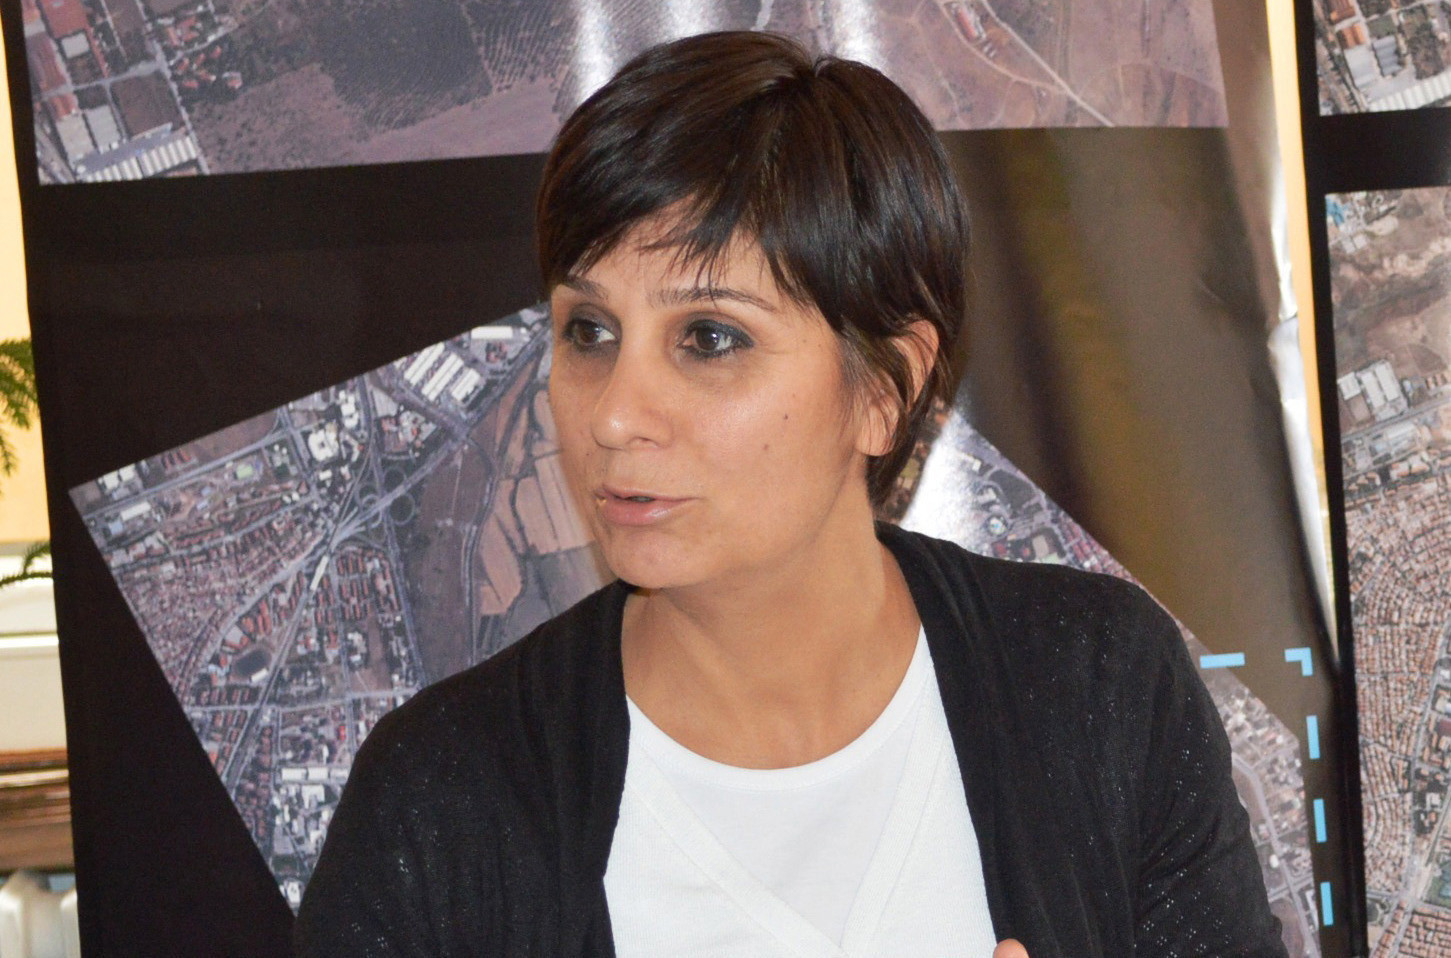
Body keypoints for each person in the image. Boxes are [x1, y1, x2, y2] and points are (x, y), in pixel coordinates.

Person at [295, 31, 1287, 958]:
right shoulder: (439, 800)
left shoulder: (1098, 685)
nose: (614, 415)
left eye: (709, 338)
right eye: (588, 331)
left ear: (885, 389)